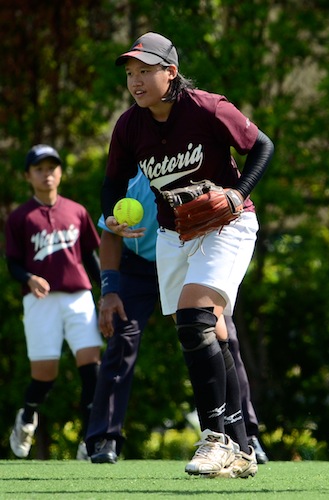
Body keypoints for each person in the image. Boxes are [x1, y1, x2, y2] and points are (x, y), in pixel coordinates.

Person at [100, 32, 273, 478]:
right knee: (204, 332)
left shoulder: (207, 108)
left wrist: (238, 194)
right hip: (174, 234)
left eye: (145, 71)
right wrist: (110, 216)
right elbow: (112, 183)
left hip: (228, 224)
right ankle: (241, 446)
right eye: (130, 73)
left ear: (170, 73)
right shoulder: (129, 126)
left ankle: (214, 438)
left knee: (196, 318)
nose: (135, 81)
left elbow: (263, 147)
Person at [86, 171, 269, 465]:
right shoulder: (131, 180)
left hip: (193, 259)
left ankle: (245, 435)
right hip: (138, 268)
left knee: (225, 338)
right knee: (122, 340)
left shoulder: (195, 168)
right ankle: (103, 438)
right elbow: (109, 235)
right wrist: (109, 291)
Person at [5, 144, 102, 460]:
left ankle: (89, 441)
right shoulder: (20, 217)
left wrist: (108, 291)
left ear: (60, 172)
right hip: (40, 301)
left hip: (78, 296)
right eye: (39, 169)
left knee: (92, 367)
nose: (47, 174)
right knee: (44, 375)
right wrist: (29, 278)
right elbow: (13, 263)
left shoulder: (76, 211)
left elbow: (89, 255)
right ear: (28, 176)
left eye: (52, 167)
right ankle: (27, 414)